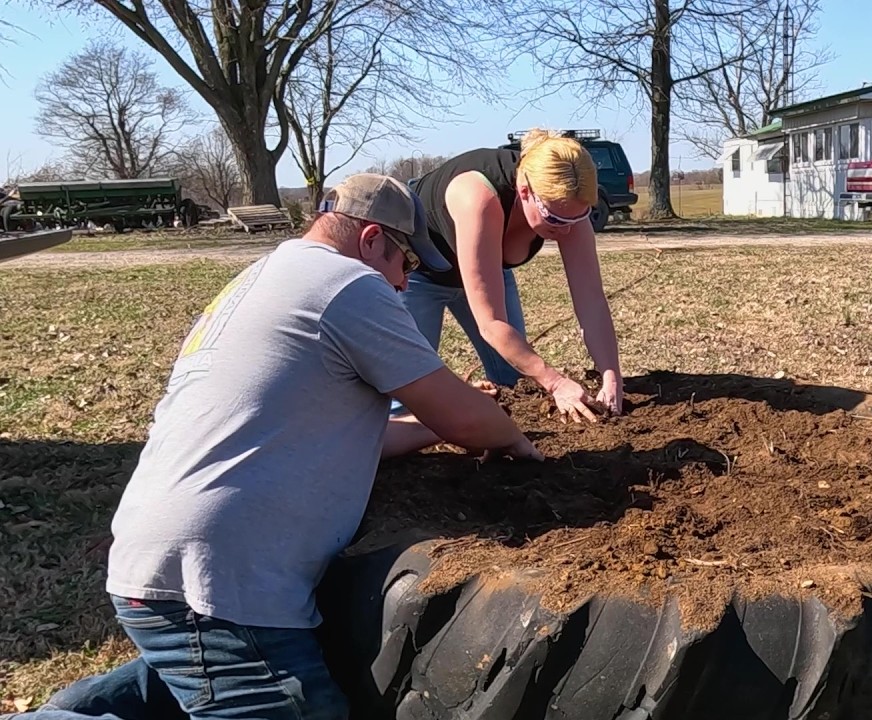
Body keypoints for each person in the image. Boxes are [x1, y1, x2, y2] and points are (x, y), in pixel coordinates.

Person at [6, 173, 543, 720]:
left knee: (193, 676)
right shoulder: (349, 286)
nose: (404, 284)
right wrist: (514, 438)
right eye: (404, 262)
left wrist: (435, 429)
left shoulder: (264, 279)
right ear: (373, 240)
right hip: (222, 579)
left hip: (165, 557)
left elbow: (345, 435)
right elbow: (465, 417)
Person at [397, 128, 624, 424]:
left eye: (577, 218)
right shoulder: (478, 197)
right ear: (525, 191)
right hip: (417, 274)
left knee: (514, 383)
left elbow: (591, 301)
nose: (566, 231)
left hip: (486, 271)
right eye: (554, 220)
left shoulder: (567, 205)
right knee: (406, 391)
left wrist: (611, 377)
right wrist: (556, 382)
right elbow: (491, 324)